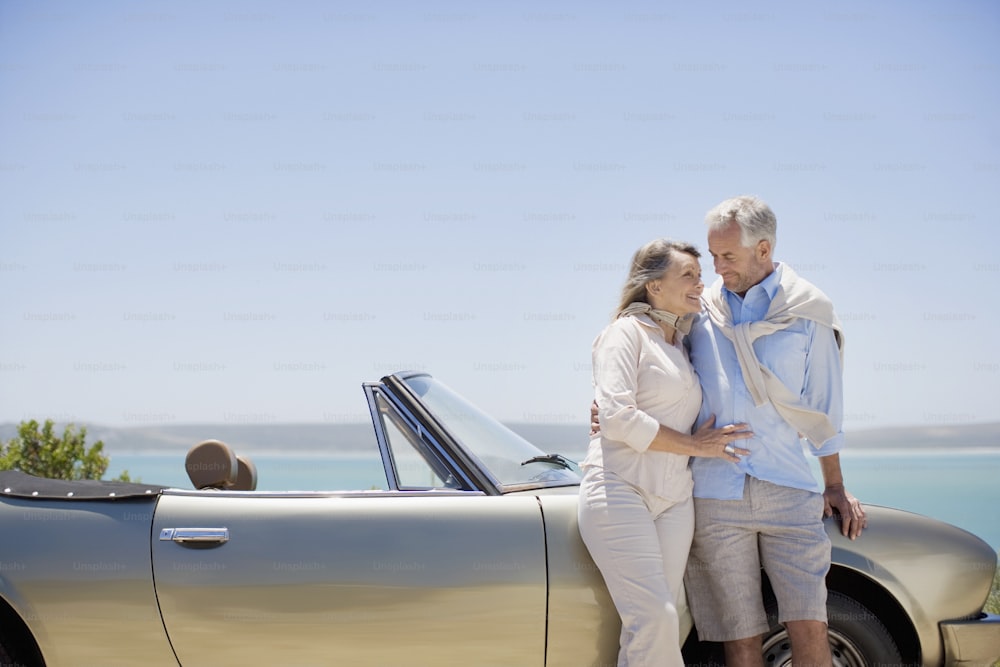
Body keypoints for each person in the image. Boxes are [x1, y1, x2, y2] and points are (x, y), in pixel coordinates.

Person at [682, 195, 866, 666]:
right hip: (715, 493)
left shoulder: (808, 311)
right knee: (738, 639)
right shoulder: (699, 311)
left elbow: (825, 406)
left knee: (809, 628)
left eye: (729, 256)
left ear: (763, 249)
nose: (718, 268)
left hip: (788, 487)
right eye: (713, 256)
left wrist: (836, 485)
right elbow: (660, 370)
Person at [578, 238, 752, 667]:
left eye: (700, 274)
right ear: (653, 286)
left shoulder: (682, 343)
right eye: (688, 275)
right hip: (620, 491)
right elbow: (618, 418)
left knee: (662, 621)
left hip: (675, 499)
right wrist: (697, 446)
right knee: (654, 617)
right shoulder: (624, 334)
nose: (700, 283)